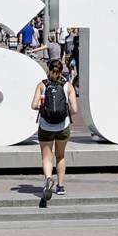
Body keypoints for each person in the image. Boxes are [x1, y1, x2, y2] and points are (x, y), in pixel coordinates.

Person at [31, 59, 77, 208]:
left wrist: (42, 106)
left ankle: (48, 179)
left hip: (45, 126)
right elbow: (74, 110)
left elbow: (33, 105)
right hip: (63, 127)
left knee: (46, 157)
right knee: (60, 156)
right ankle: (61, 186)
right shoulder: (67, 86)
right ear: (61, 70)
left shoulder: (42, 85)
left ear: (48, 69)